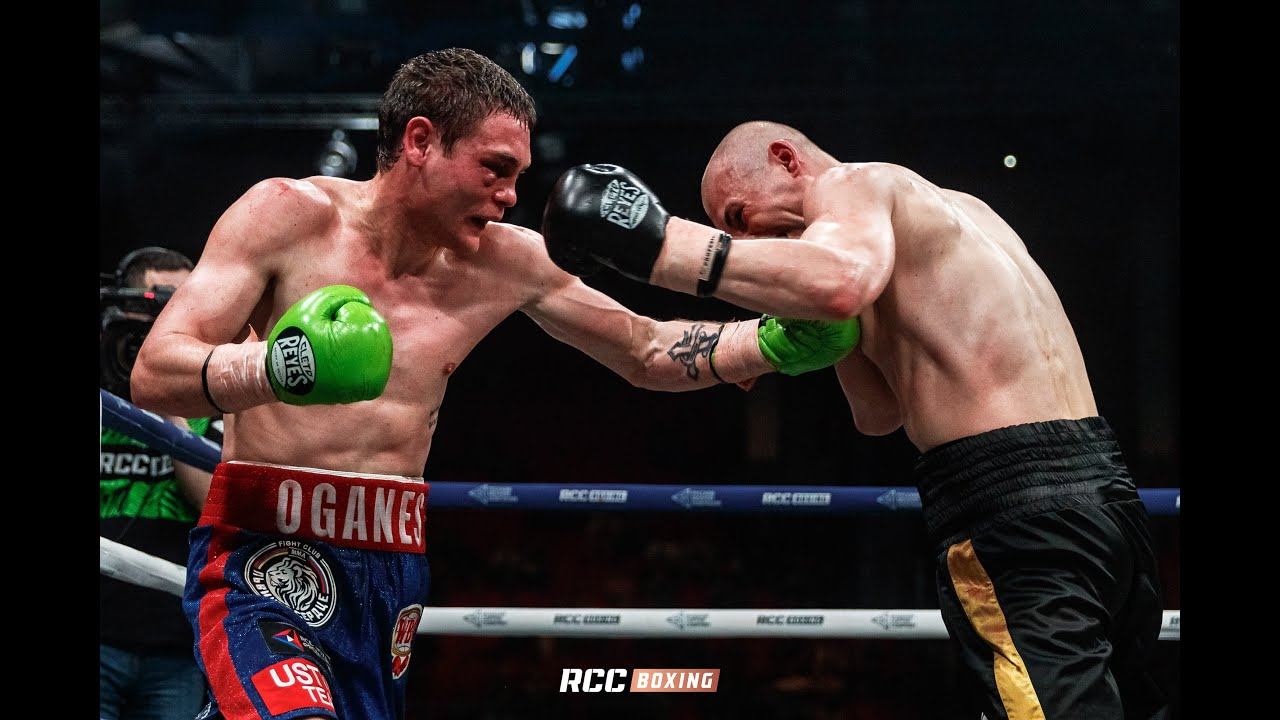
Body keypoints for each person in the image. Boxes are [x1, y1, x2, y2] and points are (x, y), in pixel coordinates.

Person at [129, 52, 859, 720]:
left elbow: (645, 348)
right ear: (420, 141)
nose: (511, 196)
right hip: (264, 549)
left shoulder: (505, 262)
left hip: (389, 566)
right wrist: (274, 369)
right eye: (495, 169)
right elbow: (155, 372)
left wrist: (772, 343)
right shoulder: (284, 216)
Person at [539, 121, 1168, 719]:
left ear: (786, 160)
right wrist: (831, 335)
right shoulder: (964, 214)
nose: (747, 243)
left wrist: (658, 243)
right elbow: (878, 414)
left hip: (1011, 510)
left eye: (738, 218)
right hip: (1105, 499)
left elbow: (839, 282)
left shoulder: (856, 182)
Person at [101, 247, 217, 720]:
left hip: (174, 642)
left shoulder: (216, 400)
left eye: (184, 305)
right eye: (157, 306)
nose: (170, 321)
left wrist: (165, 395)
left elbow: (212, 502)